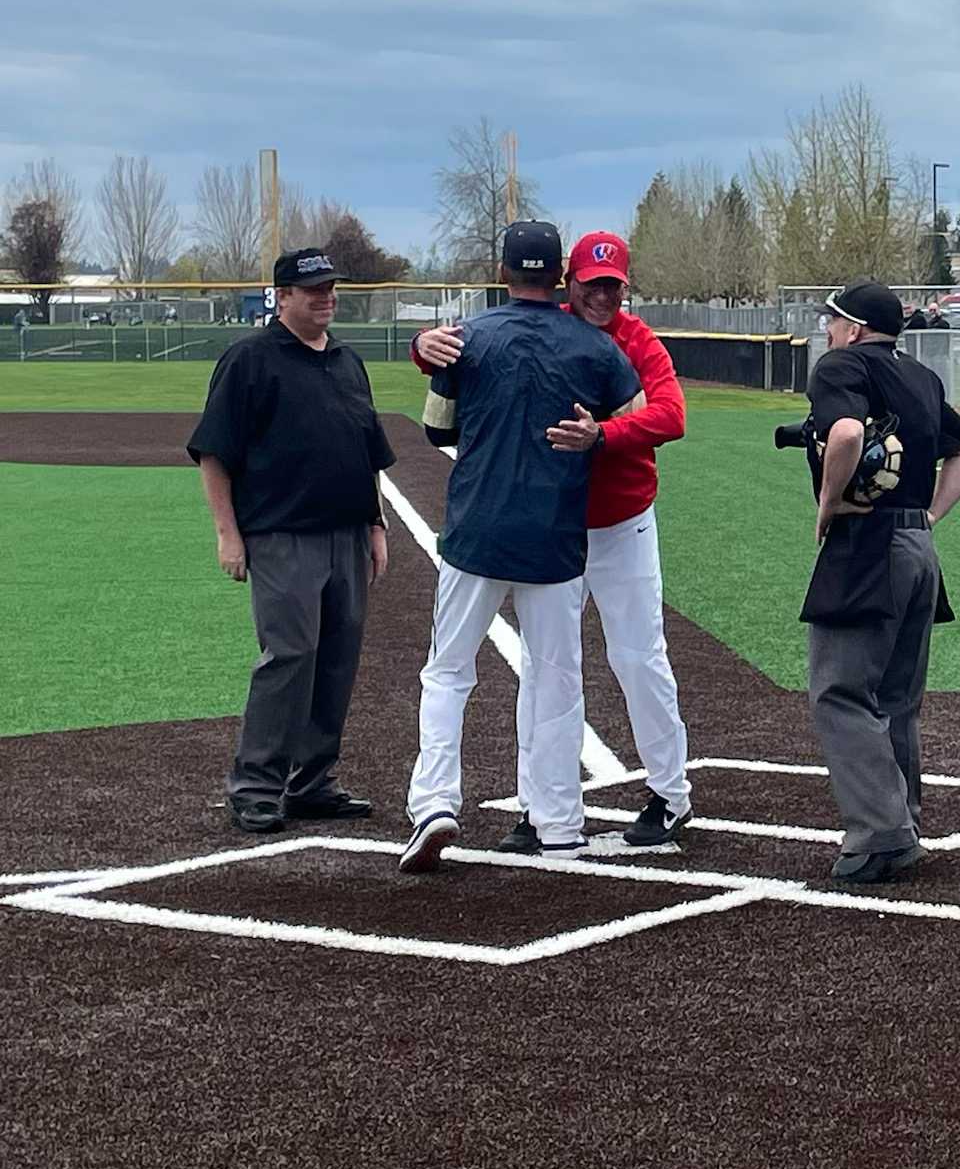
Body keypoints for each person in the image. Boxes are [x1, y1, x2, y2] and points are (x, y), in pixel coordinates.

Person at [409, 230, 694, 853]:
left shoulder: (634, 340)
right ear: (568, 282)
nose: (600, 296)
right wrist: (421, 346)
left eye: (611, 286)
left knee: (636, 656)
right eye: (590, 285)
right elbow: (462, 357)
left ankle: (670, 794)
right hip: (554, 525)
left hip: (620, 523)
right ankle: (543, 810)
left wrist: (606, 434)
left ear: (624, 286)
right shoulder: (557, 328)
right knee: (547, 670)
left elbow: (670, 415)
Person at [186, 249, 395, 834]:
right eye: (312, 290)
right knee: (290, 657)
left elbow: (366, 451)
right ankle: (256, 784)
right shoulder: (250, 359)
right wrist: (228, 535)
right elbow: (213, 452)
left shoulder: (348, 362)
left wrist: (375, 523)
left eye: (330, 289)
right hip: (282, 535)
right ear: (282, 297)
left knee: (336, 660)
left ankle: (310, 783)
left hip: (347, 534)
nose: (325, 298)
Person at [801, 280, 960, 885]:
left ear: (854, 329)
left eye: (833, 322)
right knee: (898, 699)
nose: (827, 332)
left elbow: (850, 434)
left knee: (842, 691)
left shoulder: (840, 365)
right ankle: (900, 819)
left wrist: (828, 502)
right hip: (917, 546)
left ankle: (881, 834)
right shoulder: (922, 377)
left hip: (868, 544)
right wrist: (928, 516)